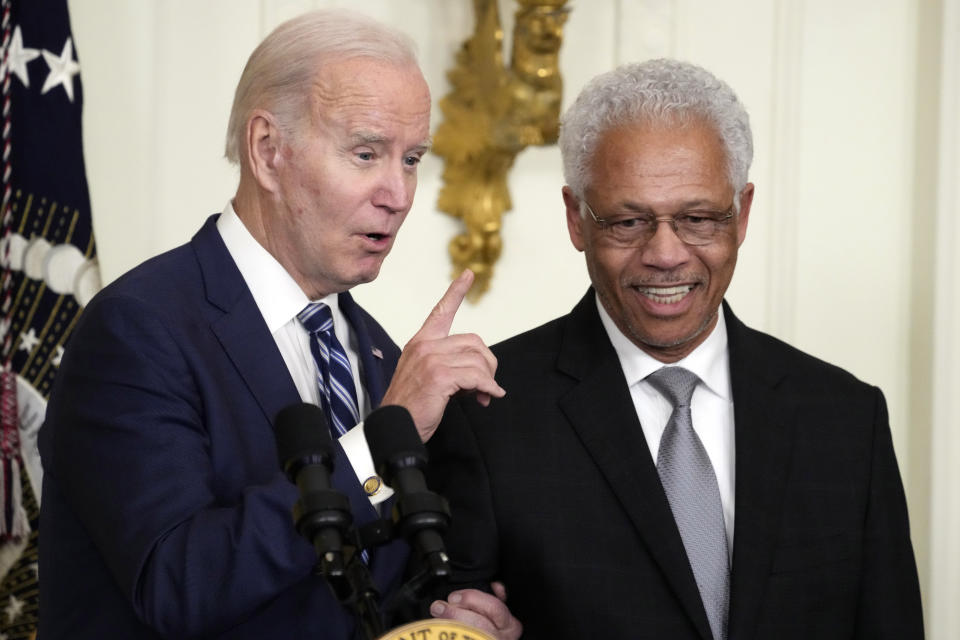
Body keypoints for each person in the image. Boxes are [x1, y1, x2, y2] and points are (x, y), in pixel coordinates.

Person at [38, 10, 521, 639]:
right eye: (366, 152)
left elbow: (363, 588)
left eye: (411, 159)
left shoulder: (375, 350)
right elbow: (178, 586)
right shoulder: (137, 331)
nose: (399, 193)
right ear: (268, 151)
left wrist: (450, 615)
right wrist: (378, 441)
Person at [426, 58, 924, 639]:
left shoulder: (844, 417)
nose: (666, 254)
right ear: (576, 220)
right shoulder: (486, 412)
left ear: (742, 215)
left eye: (698, 218)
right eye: (627, 222)